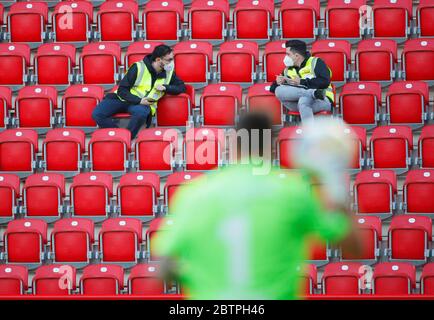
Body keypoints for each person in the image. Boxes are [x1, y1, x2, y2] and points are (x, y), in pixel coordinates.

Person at [154, 112, 361, 300]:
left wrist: (199, 279)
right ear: (271, 146)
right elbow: (353, 247)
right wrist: (334, 178)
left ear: (232, 144)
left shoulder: (194, 194)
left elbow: (163, 268)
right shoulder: (293, 191)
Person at [92, 44, 186, 139]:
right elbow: (122, 90)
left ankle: (126, 138)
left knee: (141, 113)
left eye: (172, 59)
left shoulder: (169, 72)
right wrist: (139, 100)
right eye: (169, 60)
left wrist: (166, 88)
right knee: (97, 114)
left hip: (143, 105)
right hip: (123, 99)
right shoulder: (138, 67)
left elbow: (181, 87)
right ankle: (119, 136)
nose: (172, 62)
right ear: (158, 60)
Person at [269, 40, 334, 123]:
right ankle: (312, 93)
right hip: (297, 104)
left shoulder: (316, 62)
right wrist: (278, 82)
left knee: (304, 100)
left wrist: (301, 82)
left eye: (288, 54)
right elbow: (272, 88)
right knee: (278, 90)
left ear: (296, 56)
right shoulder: (288, 70)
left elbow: (325, 81)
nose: (285, 57)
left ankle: (309, 133)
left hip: (322, 100)